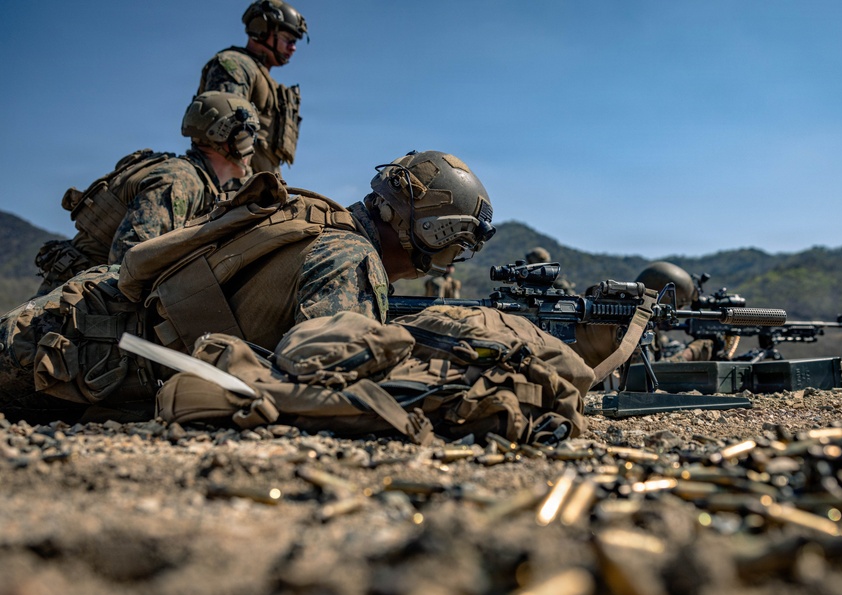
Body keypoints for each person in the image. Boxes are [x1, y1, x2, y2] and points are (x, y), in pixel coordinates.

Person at [0, 150, 494, 424]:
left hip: (71, 327)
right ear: (431, 231)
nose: (451, 258)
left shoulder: (315, 223)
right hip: (68, 351)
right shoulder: (349, 255)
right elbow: (331, 384)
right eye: (458, 243)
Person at [33, 91, 260, 296]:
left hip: (82, 295)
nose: (253, 145)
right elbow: (129, 263)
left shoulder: (191, 179)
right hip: (78, 304)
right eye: (249, 135)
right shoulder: (180, 181)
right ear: (226, 136)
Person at [198, 0, 307, 176]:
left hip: (260, 188)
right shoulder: (236, 65)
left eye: (294, 42)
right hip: (236, 187)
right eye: (288, 39)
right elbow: (222, 138)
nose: (293, 48)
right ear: (261, 29)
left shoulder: (263, 79)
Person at [634, 261, 715, 362]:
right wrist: (691, 353)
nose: (680, 311)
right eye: (679, 306)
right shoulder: (636, 330)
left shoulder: (649, 328)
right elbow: (647, 373)